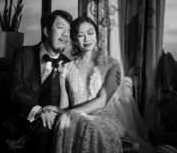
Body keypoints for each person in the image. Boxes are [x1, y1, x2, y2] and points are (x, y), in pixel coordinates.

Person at [53, 16, 154, 153]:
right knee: (63, 123)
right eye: (81, 35)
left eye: (90, 33)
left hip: (106, 120)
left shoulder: (112, 64)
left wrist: (70, 114)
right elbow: (64, 107)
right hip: (76, 120)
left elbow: (102, 101)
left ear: (97, 35)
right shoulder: (65, 69)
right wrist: (57, 112)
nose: (87, 39)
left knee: (87, 125)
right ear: (74, 40)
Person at [9, 10, 73, 153]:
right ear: (46, 31)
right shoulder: (22, 54)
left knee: (47, 128)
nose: (66, 34)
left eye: (69, 30)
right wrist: (38, 111)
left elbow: (68, 102)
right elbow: (15, 91)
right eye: (61, 27)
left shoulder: (69, 64)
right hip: (17, 119)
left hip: (47, 123)